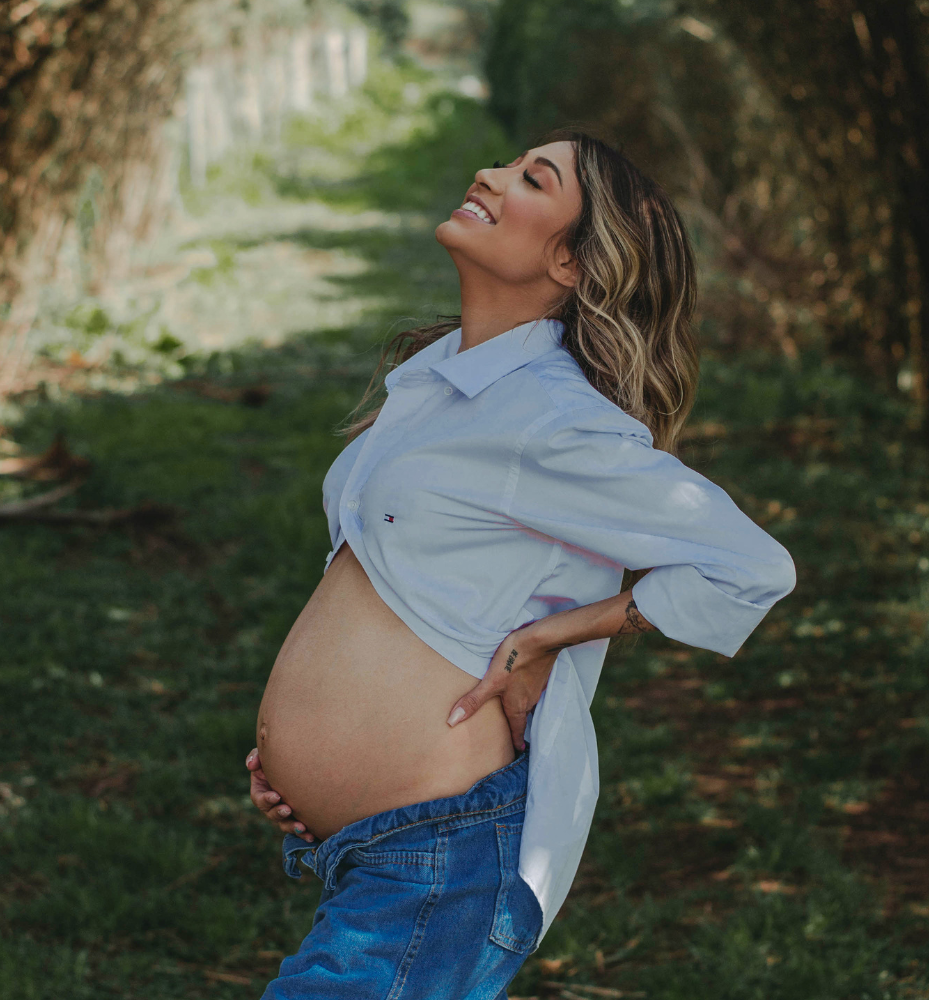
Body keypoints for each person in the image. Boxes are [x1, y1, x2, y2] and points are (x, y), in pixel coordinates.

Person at [244, 130, 796, 999]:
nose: (490, 175)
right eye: (509, 163)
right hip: (385, 850)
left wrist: (555, 636)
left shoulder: (552, 417)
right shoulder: (436, 377)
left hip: (444, 864)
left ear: (574, 264)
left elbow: (750, 565)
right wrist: (301, 753)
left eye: (532, 178)